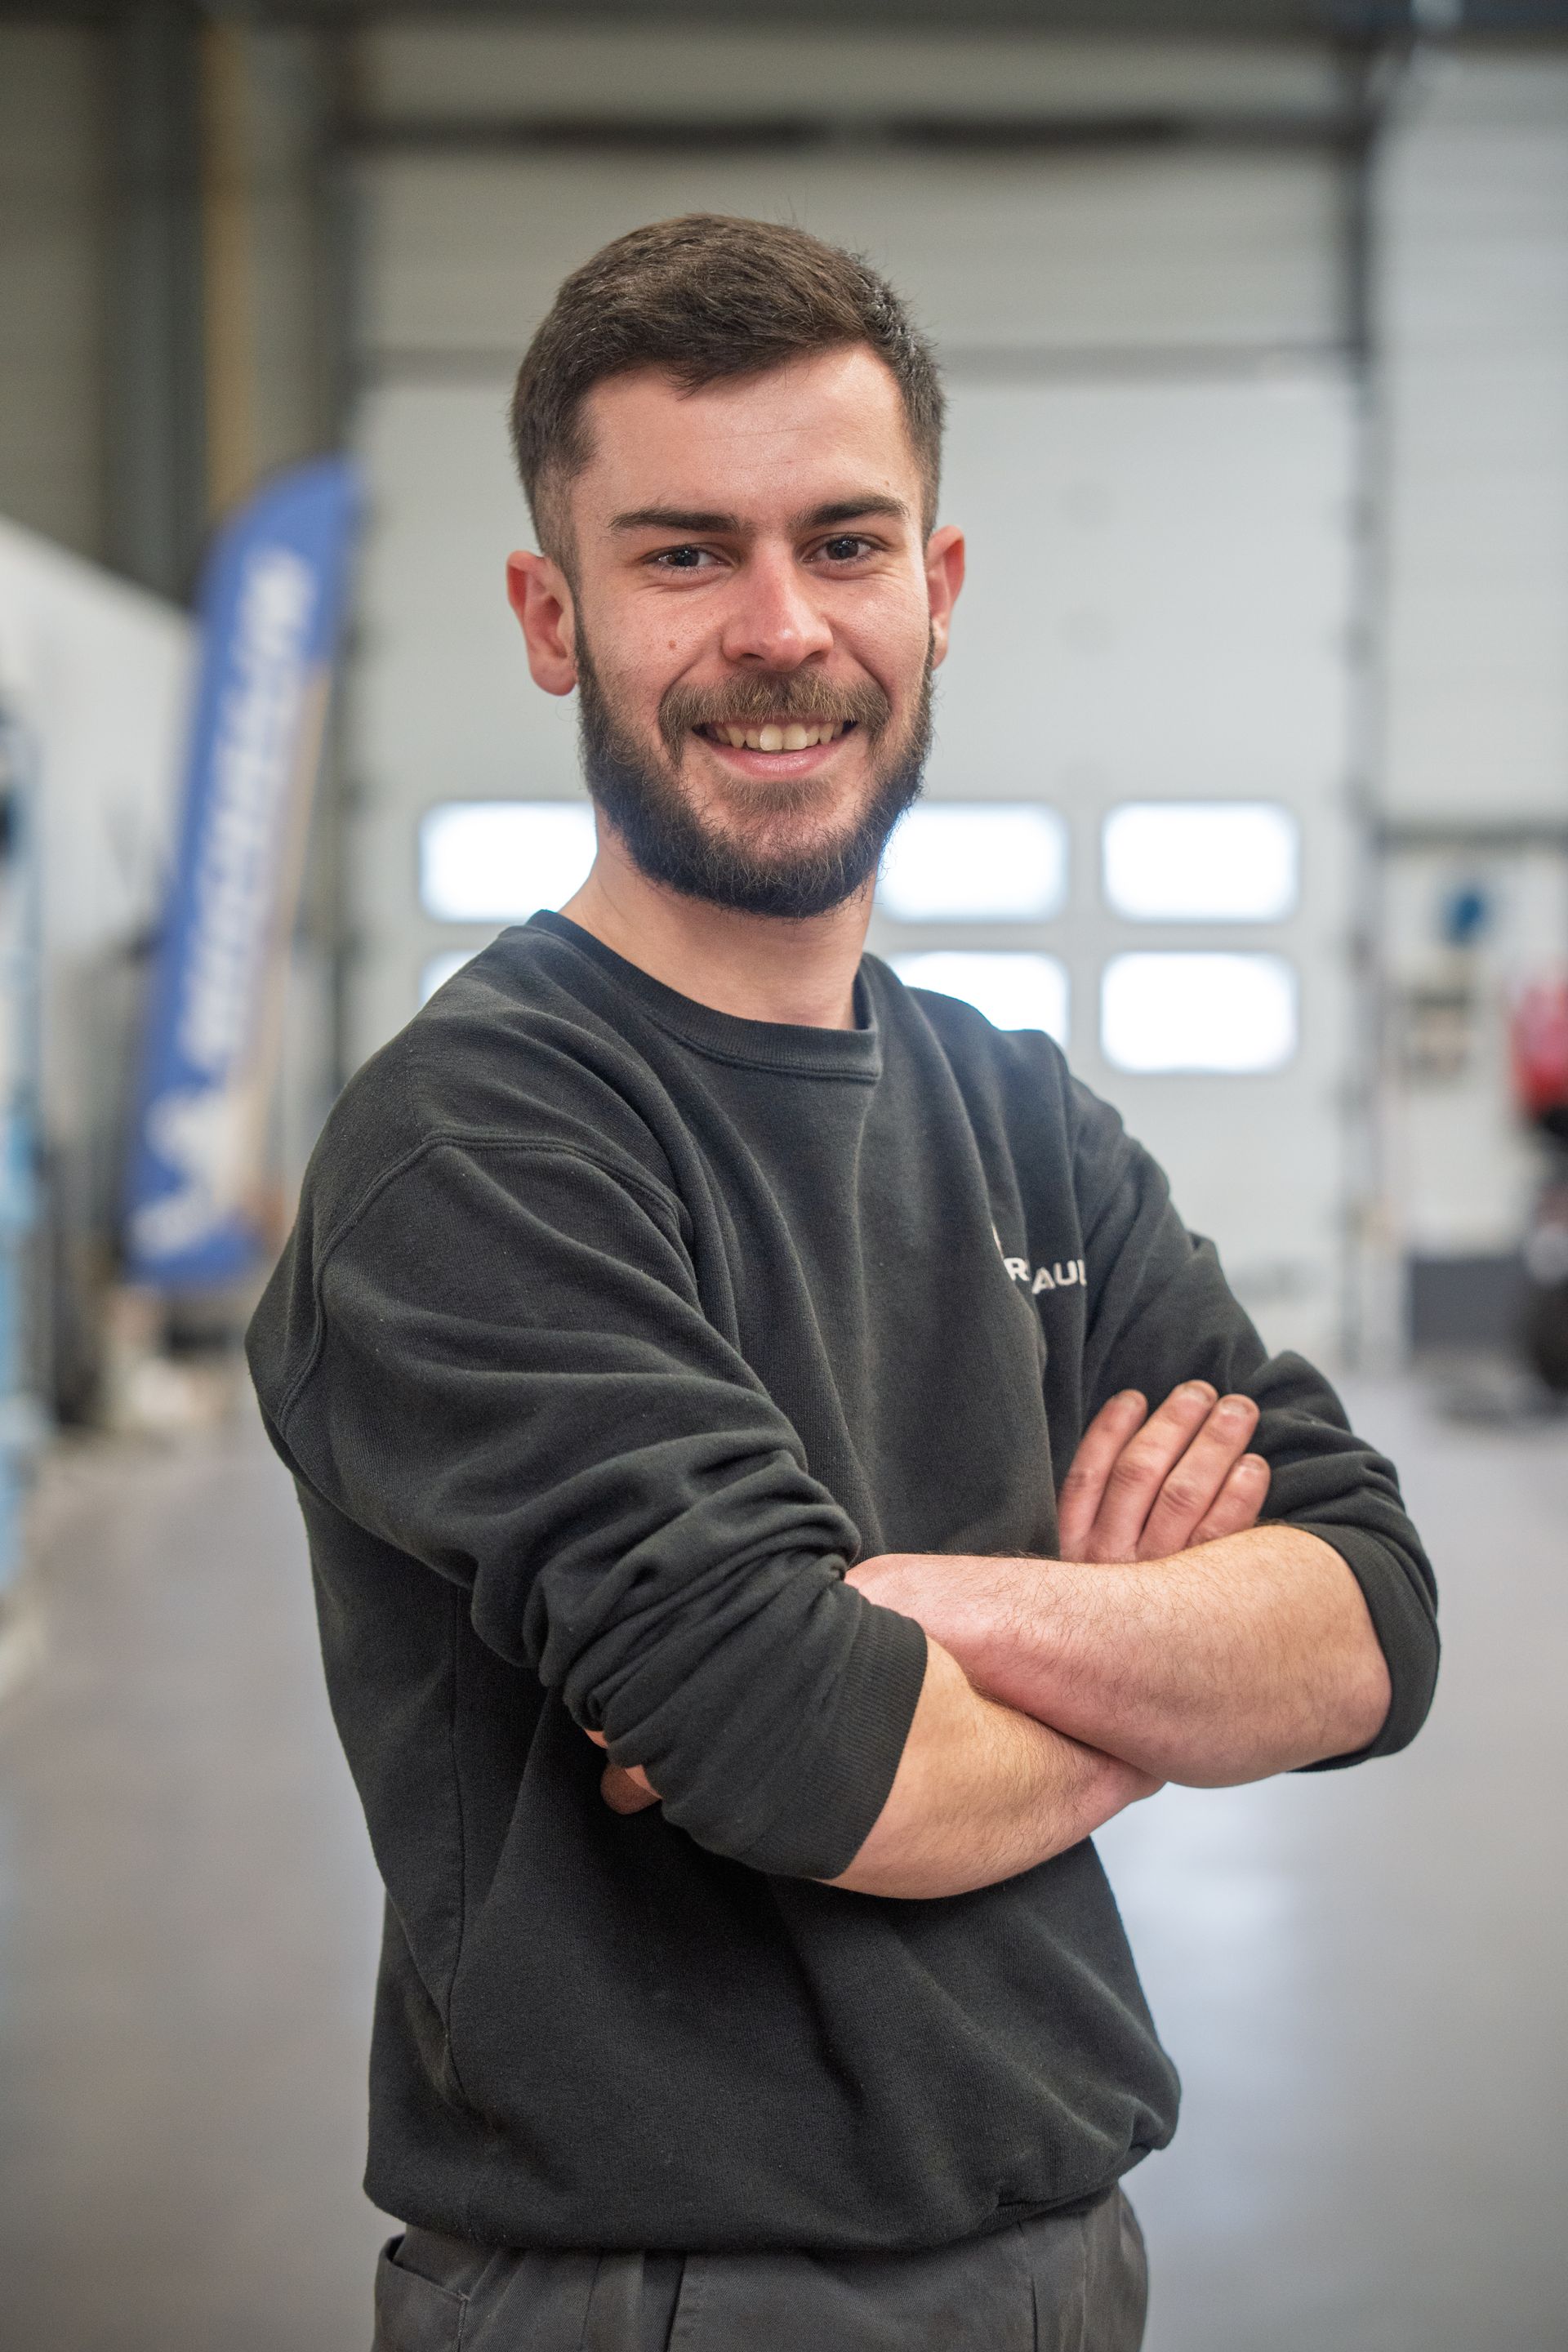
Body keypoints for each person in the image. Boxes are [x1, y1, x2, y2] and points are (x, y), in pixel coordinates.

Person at [247, 215, 1438, 2352]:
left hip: (1068, 2246)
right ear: (552, 614)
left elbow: (1371, 1620)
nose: (782, 628)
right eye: (685, 554)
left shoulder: (1020, 1114)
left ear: (937, 589)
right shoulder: (477, 1143)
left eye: (846, 543)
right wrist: (1154, 1676)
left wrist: (910, 1609)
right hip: (667, 2289)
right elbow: (810, 1756)